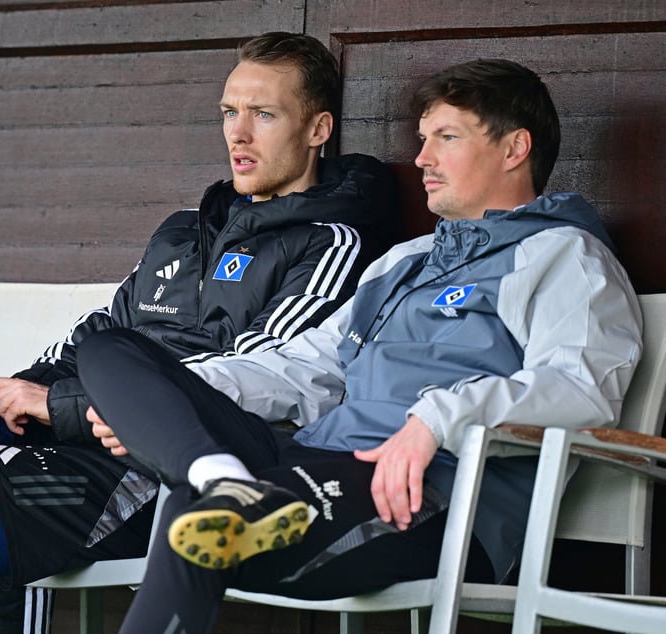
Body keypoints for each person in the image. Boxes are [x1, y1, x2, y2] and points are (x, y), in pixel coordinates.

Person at [0, 32, 400, 634]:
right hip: (65, 424)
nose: (237, 133)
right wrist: (23, 388)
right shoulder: (184, 229)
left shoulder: (332, 243)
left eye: (263, 114)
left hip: (142, 461)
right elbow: (96, 330)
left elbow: (256, 375)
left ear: (318, 130)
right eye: (229, 111)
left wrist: (63, 404)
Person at [74, 58, 644, 633]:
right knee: (111, 352)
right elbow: (310, 367)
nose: (421, 158)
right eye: (423, 140)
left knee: (192, 520)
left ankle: (224, 493)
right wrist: (186, 393)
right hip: (309, 460)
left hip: (424, 491)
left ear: (514, 148)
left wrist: (436, 419)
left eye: (445, 138)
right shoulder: (404, 262)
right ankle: (225, 479)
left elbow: (578, 388)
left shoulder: (563, 256)